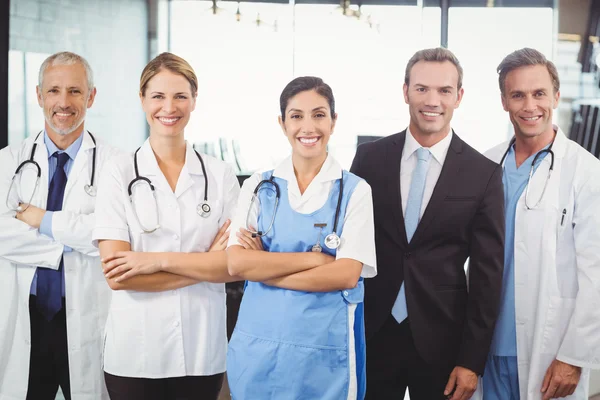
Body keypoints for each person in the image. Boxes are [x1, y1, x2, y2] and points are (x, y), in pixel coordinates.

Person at [350, 47, 505, 400]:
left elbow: (487, 275)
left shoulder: (482, 174)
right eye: (421, 89)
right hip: (372, 333)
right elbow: (348, 243)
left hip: (444, 342)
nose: (432, 100)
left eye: (444, 90)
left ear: (459, 96)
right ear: (405, 91)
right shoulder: (369, 159)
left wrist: (472, 360)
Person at [92, 52, 240, 400]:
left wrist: (154, 260)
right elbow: (117, 275)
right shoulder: (118, 172)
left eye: (180, 96)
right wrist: (205, 264)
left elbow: (236, 267)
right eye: (157, 96)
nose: (168, 107)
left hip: (201, 352)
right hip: (135, 355)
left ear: (194, 100)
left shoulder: (219, 175)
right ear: (142, 99)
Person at [225, 76, 377, 399]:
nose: (308, 127)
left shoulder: (355, 192)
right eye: (296, 116)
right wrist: (313, 260)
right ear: (282, 123)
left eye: (319, 115)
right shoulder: (259, 186)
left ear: (334, 122)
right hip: (257, 351)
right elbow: (236, 262)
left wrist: (264, 268)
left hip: (323, 357)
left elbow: (347, 274)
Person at [478, 48, 600, 400]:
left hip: (549, 347)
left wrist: (574, 356)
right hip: (486, 347)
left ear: (556, 96)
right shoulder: (487, 164)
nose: (530, 105)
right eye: (518, 95)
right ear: (504, 101)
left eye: (539, 93)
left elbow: (596, 273)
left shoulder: (585, 171)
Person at [0, 51, 119, 399]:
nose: (63, 103)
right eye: (53, 91)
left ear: (91, 96)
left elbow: (111, 235)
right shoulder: (8, 161)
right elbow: (1, 234)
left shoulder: (117, 165)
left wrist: (41, 220)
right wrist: (73, 238)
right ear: (39, 96)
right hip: (26, 315)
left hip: (87, 316)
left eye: (75, 91)